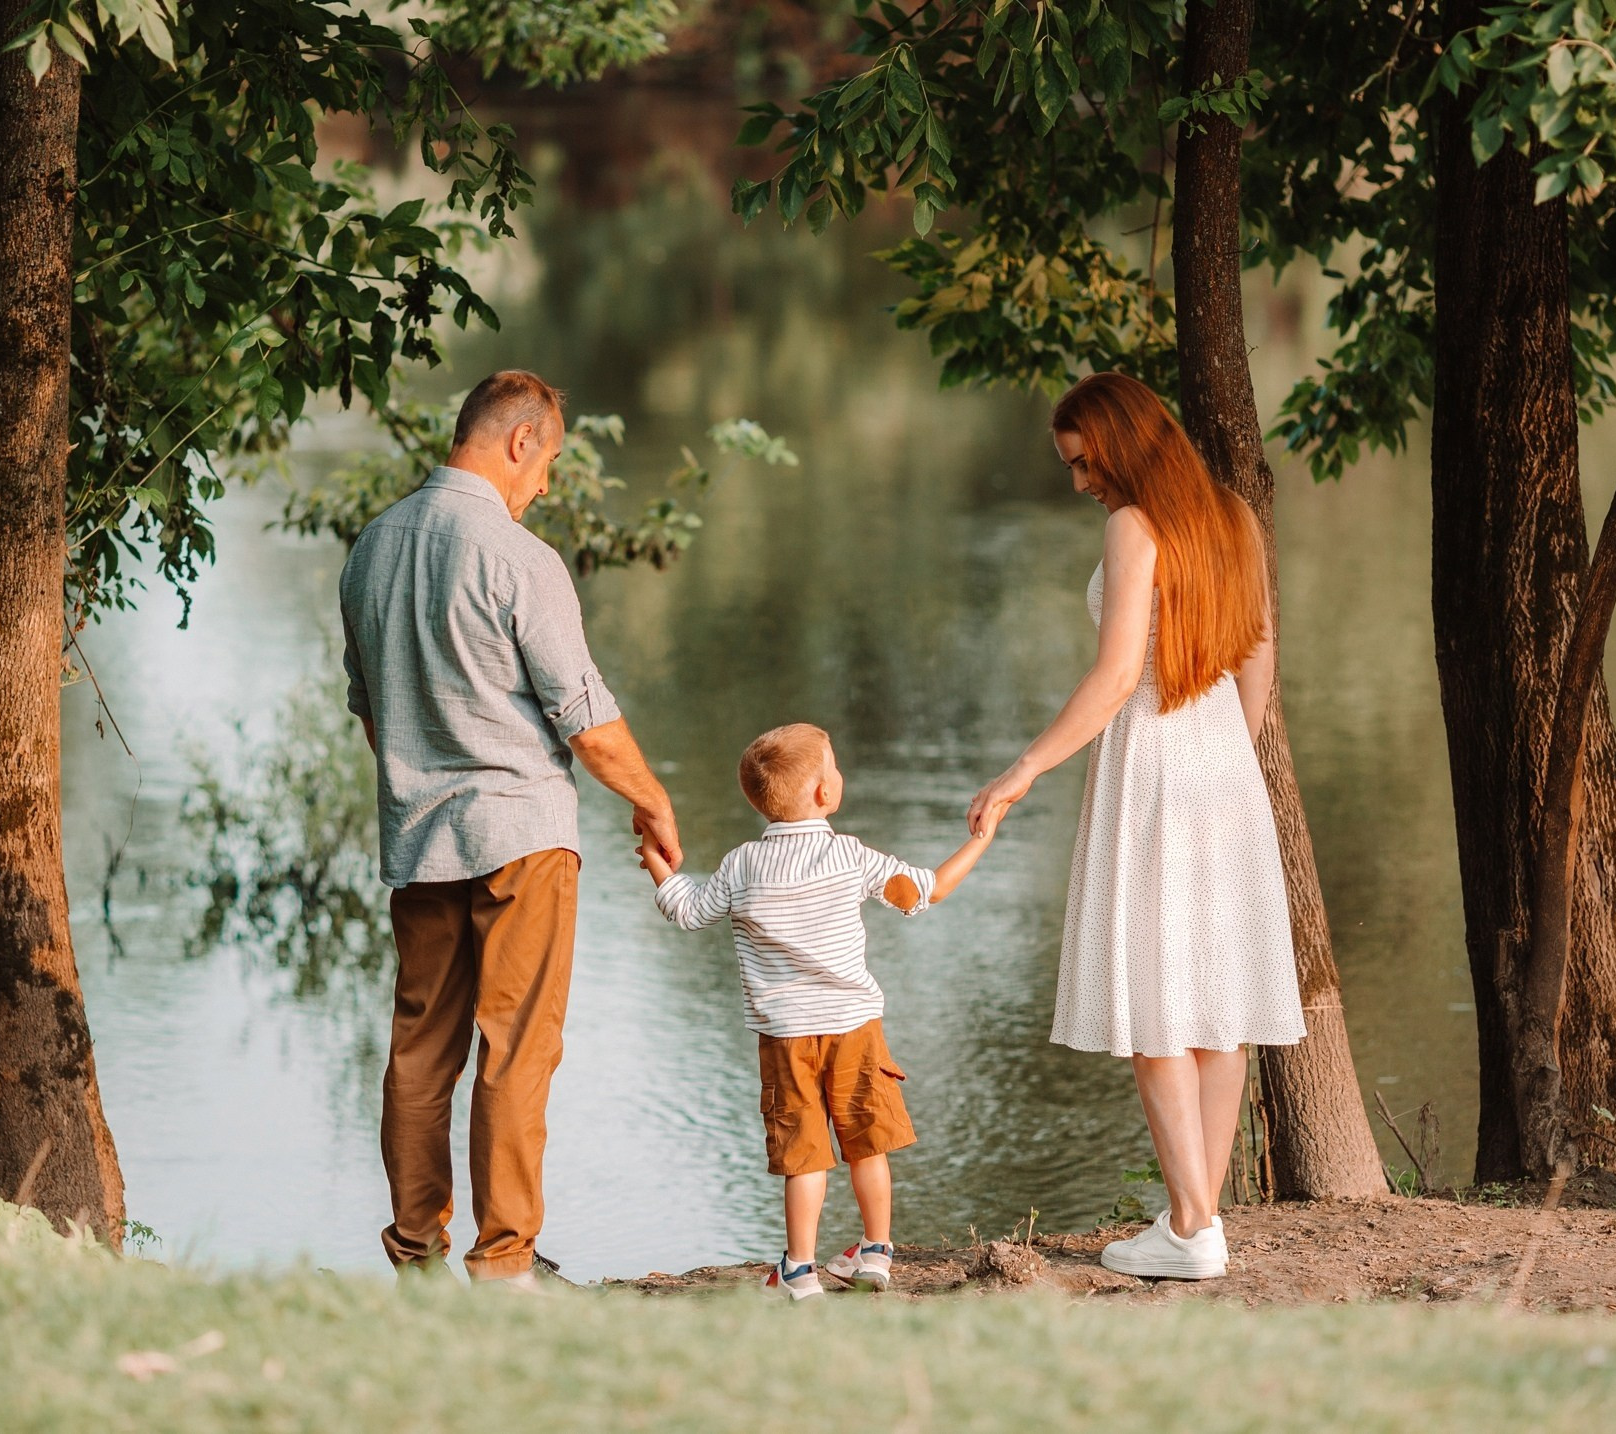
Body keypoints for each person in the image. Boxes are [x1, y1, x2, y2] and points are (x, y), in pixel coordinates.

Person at [339, 370, 682, 1290]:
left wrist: (424, 773)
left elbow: (372, 711)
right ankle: (504, 1264)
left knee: (420, 1050)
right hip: (521, 838)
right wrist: (652, 800)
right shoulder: (519, 558)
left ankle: (416, 1257)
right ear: (519, 440)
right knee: (517, 1049)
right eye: (549, 460)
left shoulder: (371, 548)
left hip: (419, 841)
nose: (545, 483)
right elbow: (586, 719)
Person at [967, 372, 1306, 1282]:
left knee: (1157, 999)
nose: (1082, 483)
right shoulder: (1233, 517)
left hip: (1153, 761)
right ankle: (1196, 1221)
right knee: (1217, 1008)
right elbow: (1259, 648)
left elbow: (1118, 677)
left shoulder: (1133, 526)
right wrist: (1235, 751)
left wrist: (1024, 768)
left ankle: (1193, 1229)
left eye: (1086, 463)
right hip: (1224, 763)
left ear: (1123, 445)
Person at [638, 723, 997, 1299]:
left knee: (804, 1155)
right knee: (867, 1143)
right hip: (855, 1028)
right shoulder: (847, 855)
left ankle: (800, 1271)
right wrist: (981, 838)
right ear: (825, 793)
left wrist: (657, 862)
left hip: (786, 1038)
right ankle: (876, 1252)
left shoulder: (742, 864)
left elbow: (688, 911)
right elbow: (925, 892)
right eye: (834, 766)